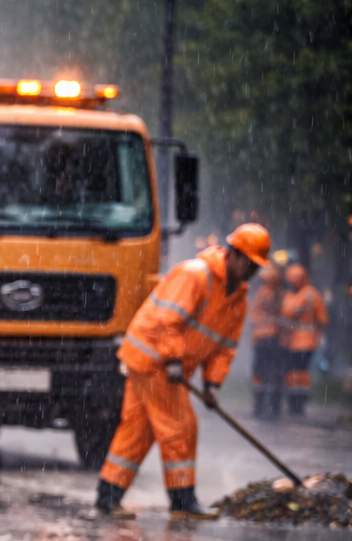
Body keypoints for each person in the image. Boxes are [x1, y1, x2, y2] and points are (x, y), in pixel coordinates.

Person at [94, 223, 269, 520]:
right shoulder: (195, 274)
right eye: (250, 264)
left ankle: (107, 498)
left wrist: (212, 384)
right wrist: (174, 359)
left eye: (257, 267)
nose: (252, 272)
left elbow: (224, 348)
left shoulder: (237, 300)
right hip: (156, 360)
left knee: (137, 431)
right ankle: (182, 502)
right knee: (181, 427)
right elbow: (167, 320)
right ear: (234, 255)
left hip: (158, 363)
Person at [278, 263, 328, 416]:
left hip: (305, 342)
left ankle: (299, 404)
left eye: (296, 279)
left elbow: (322, 320)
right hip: (290, 341)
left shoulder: (310, 295)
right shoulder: (289, 296)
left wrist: (317, 336)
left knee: (300, 372)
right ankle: (293, 403)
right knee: (291, 371)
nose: (293, 283)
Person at [248, 263, 284, 418]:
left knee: (263, 372)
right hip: (270, 338)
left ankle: (262, 405)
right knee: (269, 372)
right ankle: (268, 405)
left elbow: (253, 316)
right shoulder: (276, 294)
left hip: (266, 338)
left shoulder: (268, 294)